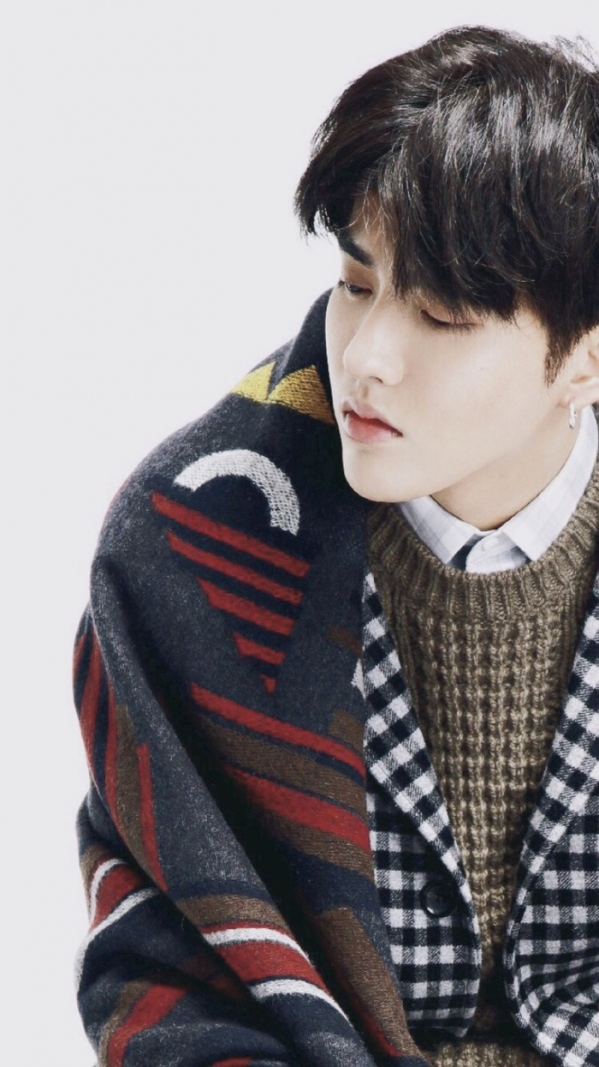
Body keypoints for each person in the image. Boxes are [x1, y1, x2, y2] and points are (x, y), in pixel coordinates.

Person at [73, 24, 599, 1067]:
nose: (366, 358)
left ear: (582, 358)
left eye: (439, 314)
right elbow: (159, 960)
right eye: (356, 284)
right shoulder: (186, 542)